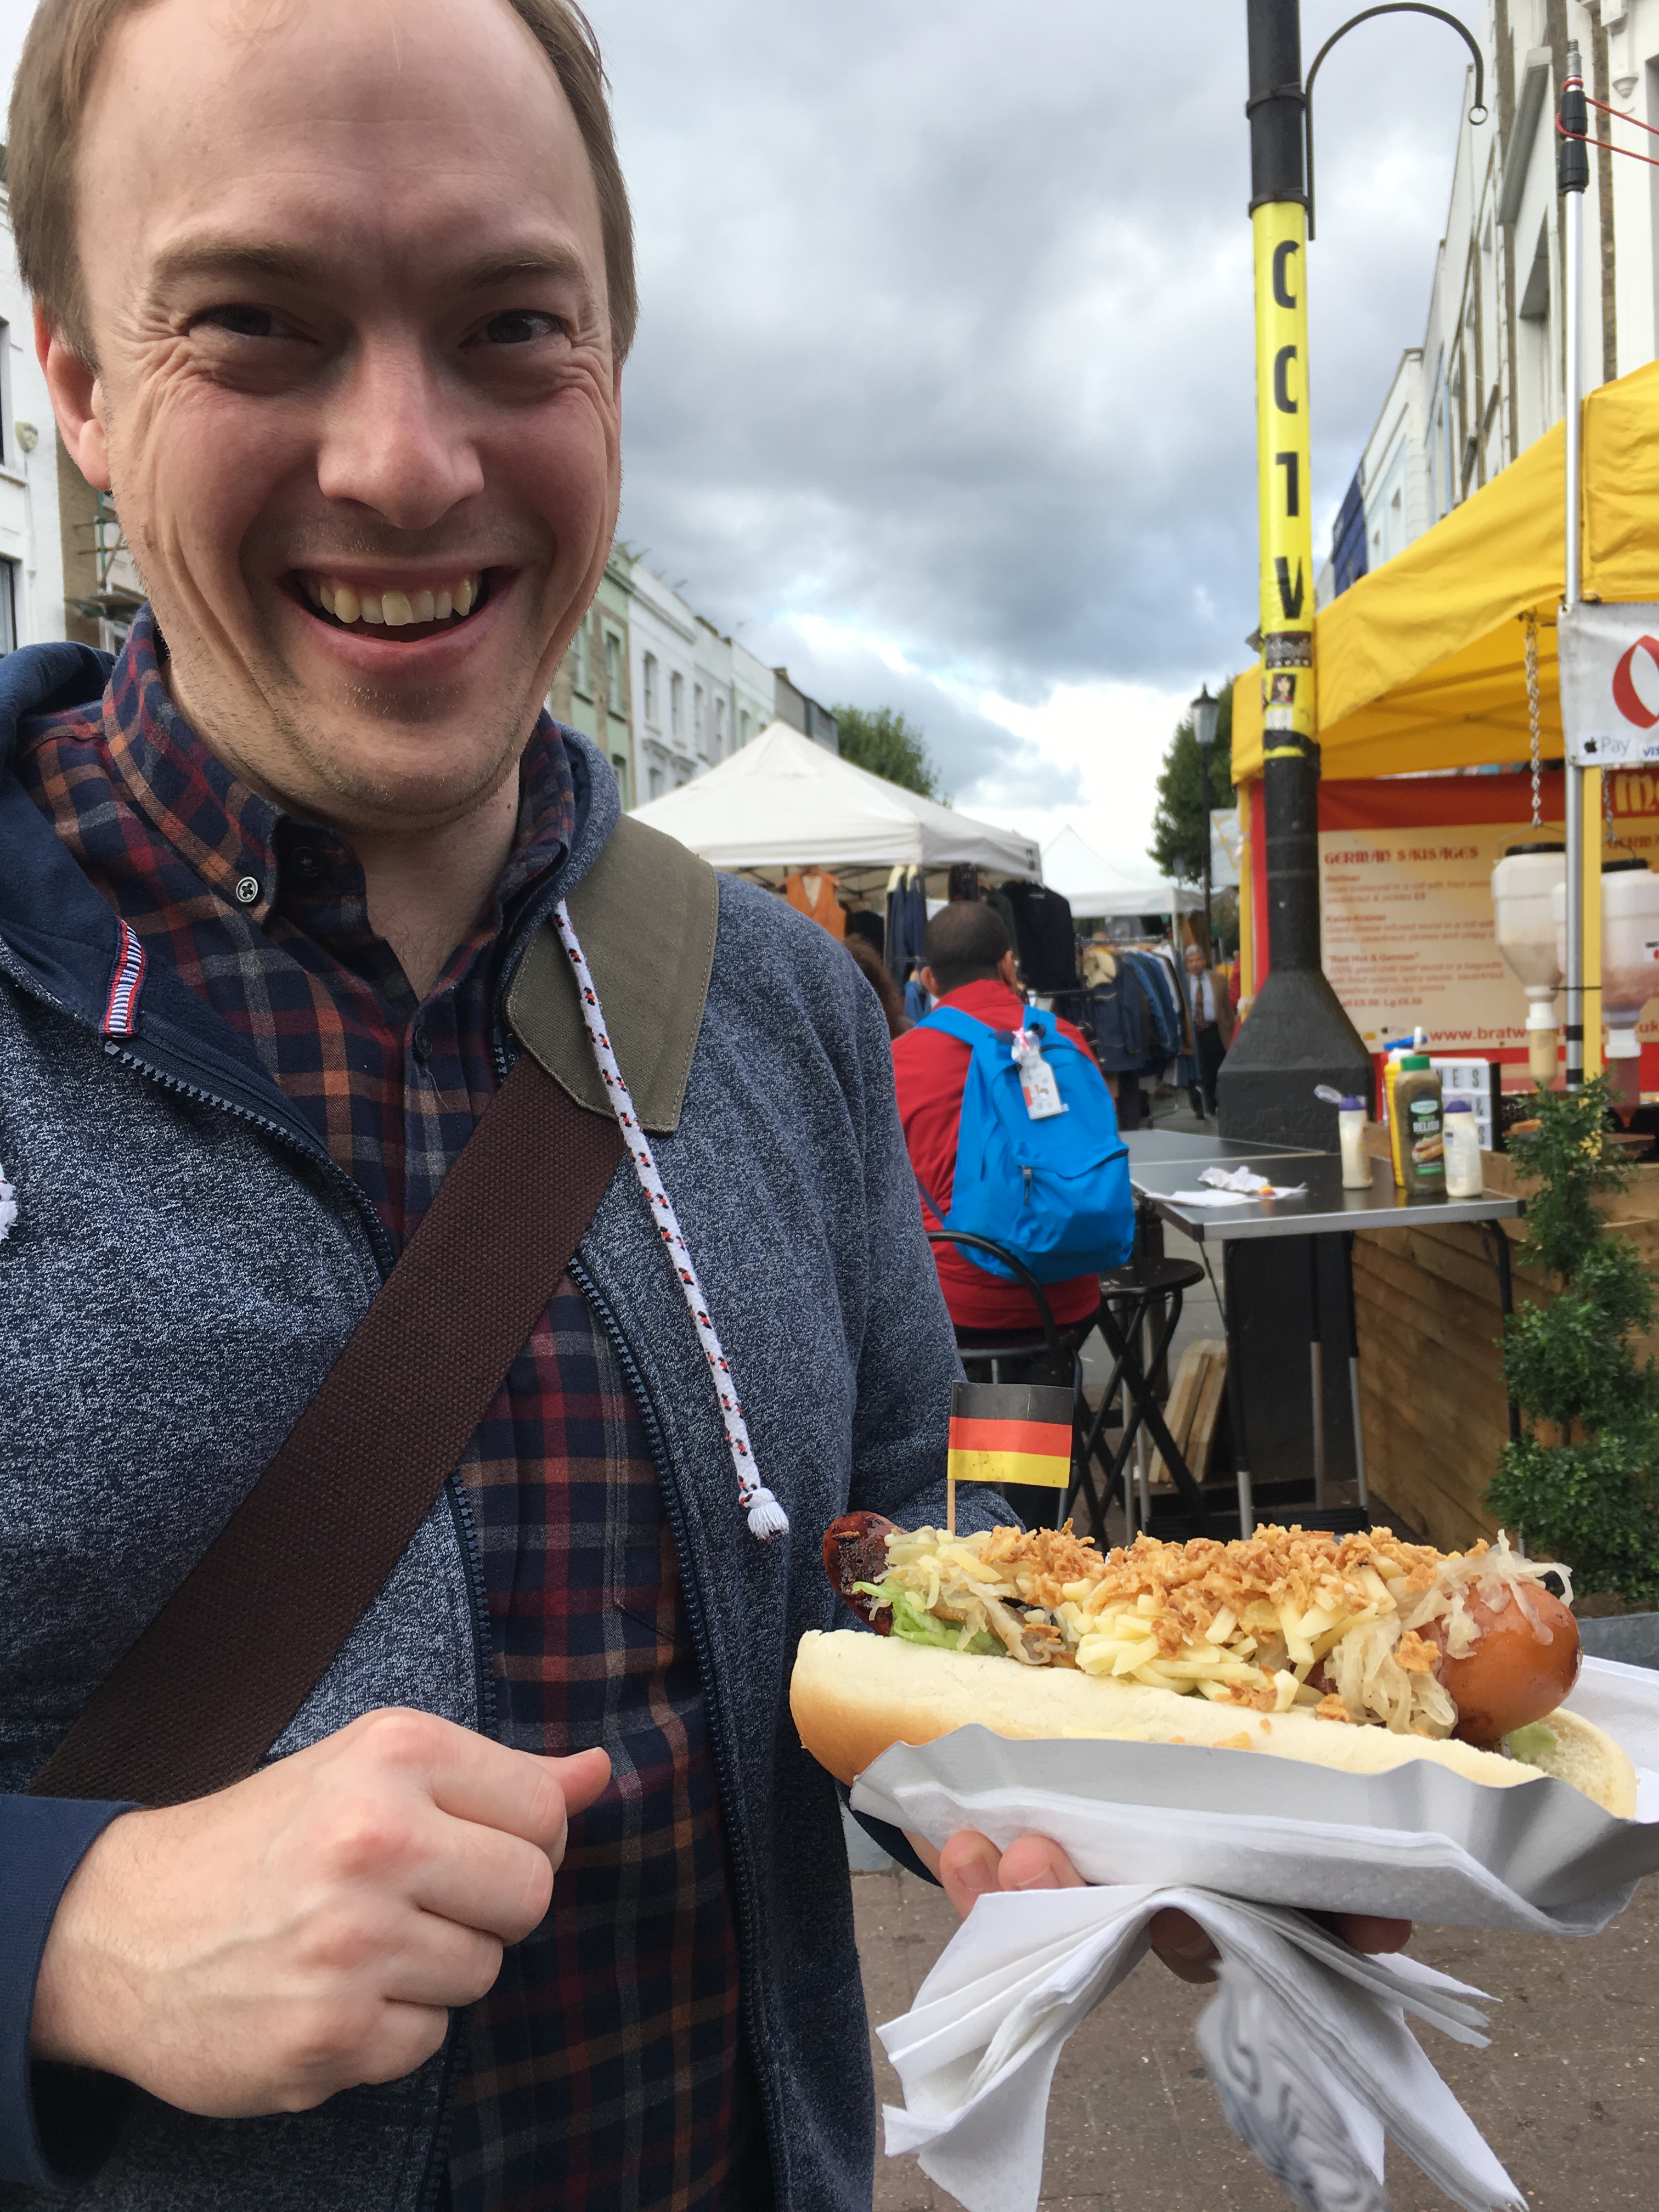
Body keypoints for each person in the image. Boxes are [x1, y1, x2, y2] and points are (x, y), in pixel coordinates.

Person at [0, 3, 1409, 2205]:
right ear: (80, 381)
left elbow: (875, 1585)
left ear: (616, 364)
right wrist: (63, 1937)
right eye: (257, 323)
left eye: (510, 324)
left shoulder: (780, 1007)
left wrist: (1112, 1781)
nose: (405, 462)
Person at [892, 904, 1104, 1341]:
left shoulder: (898, 1061)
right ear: (1008, 965)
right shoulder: (1064, 1039)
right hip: (1067, 1298)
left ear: (929, 980)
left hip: (956, 1308)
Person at [1184, 940, 1236, 1120]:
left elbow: (1227, 1008)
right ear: (1187, 964)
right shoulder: (1184, 982)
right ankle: (1202, 1106)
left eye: (1198, 960)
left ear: (1204, 960)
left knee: (1218, 1068)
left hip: (1215, 1030)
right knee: (1201, 1070)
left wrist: (1231, 1031)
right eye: (1191, 961)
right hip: (1195, 1032)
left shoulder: (1219, 979)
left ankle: (1218, 1103)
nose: (1195, 964)